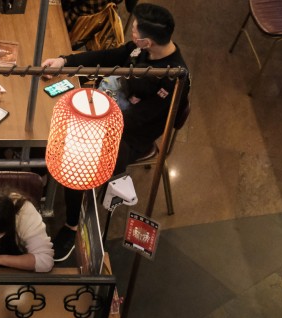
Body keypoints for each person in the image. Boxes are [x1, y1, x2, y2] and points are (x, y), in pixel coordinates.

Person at [41, 3, 189, 262]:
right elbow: (110, 56)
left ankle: (73, 224)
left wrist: (93, 122)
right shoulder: (138, 50)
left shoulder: (173, 77)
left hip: (132, 136)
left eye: (134, 31)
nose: (131, 32)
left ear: (147, 41)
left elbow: (140, 121)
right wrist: (66, 61)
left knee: (80, 160)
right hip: (110, 109)